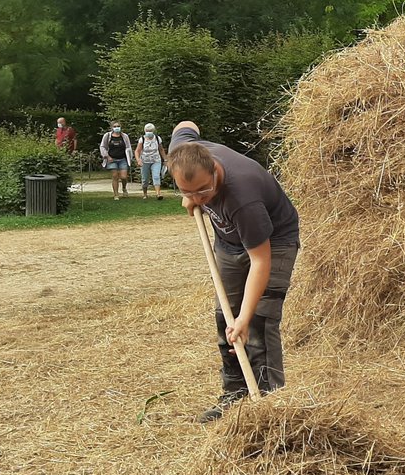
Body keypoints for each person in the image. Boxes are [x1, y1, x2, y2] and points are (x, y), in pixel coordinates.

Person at [167, 120, 301, 423]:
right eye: (188, 192)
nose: (199, 199)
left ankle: (268, 404)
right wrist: (191, 194)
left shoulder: (244, 197)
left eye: (204, 190)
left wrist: (244, 317)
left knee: (257, 321)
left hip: (273, 243)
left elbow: (260, 261)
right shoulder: (183, 154)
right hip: (228, 243)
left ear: (215, 169)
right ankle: (235, 394)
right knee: (224, 317)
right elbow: (186, 125)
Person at [100, 122, 134, 199]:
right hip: (112, 159)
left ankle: (124, 188)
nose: (117, 128)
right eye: (115, 126)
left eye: (118, 126)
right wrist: (107, 156)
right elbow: (102, 146)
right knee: (115, 176)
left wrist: (129, 157)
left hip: (122, 159)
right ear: (112, 127)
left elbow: (128, 147)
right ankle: (116, 194)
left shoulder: (125, 136)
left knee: (123, 176)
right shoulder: (107, 136)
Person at [135, 123, 166, 200]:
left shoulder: (157, 138)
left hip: (156, 160)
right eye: (147, 131)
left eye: (150, 131)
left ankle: (158, 194)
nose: (149, 132)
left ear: (153, 131)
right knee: (145, 179)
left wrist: (165, 159)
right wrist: (138, 160)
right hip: (145, 161)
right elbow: (137, 151)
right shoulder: (142, 139)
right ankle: (145, 194)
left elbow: (161, 149)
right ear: (145, 131)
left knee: (156, 176)